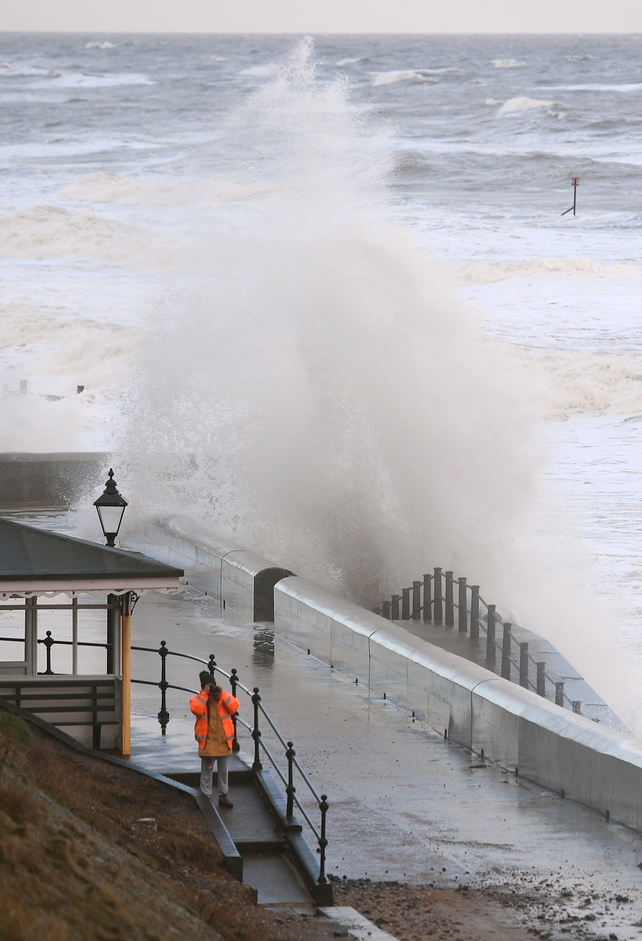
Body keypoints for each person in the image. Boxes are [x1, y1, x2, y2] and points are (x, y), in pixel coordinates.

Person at [190, 671, 240, 809]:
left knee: (224, 772)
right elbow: (196, 709)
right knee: (207, 771)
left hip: (224, 742)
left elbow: (235, 706)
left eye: (212, 685)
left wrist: (222, 694)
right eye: (207, 686)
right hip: (208, 743)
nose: (210, 688)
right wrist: (205, 695)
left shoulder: (223, 697)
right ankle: (206, 797)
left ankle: (223, 795)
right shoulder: (199, 699)